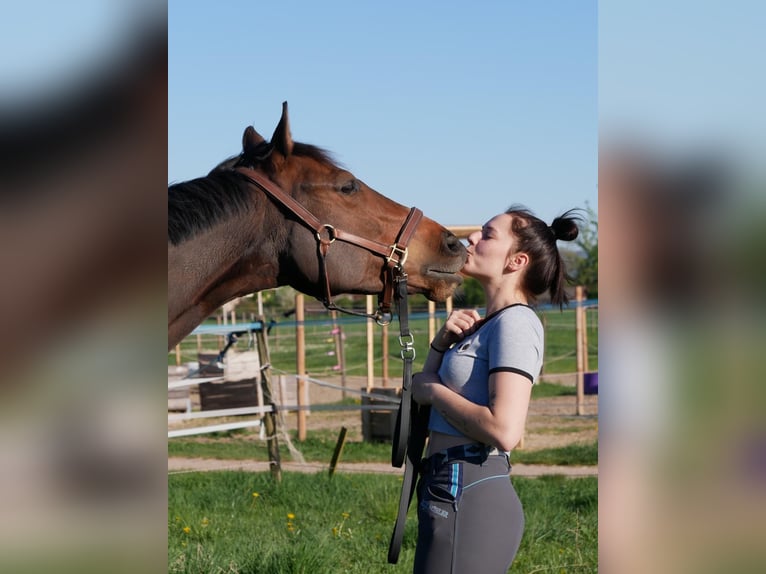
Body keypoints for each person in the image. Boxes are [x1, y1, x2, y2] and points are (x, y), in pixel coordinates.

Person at [411, 205, 580, 573]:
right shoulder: (487, 324)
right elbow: (421, 391)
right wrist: (440, 346)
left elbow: (505, 430)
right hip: (446, 482)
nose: (472, 238)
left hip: (469, 487)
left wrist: (435, 391)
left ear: (516, 261)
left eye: (487, 234)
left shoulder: (516, 323)